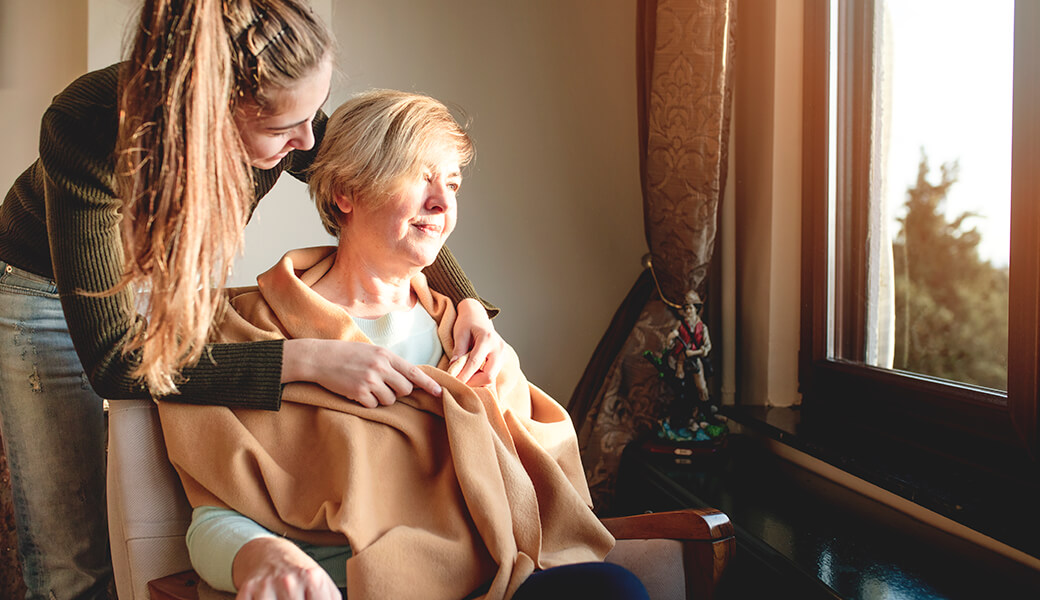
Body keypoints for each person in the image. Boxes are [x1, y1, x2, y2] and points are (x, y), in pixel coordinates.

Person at [0, 2, 503, 598]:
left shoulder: (289, 115)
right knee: (74, 557)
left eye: (312, 114)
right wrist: (309, 358)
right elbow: (116, 363)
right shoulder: (87, 126)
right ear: (209, 110)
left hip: (157, 281)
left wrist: (464, 299)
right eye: (283, 130)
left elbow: (368, 175)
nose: (307, 141)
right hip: (43, 289)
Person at [157, 90, 649, 600]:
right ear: (346, 192)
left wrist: (500, 388)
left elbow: (538, 492)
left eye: (452, 184)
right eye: (420, 177)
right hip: (349, 586)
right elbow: (214, 516)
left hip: (494, 581)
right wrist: (260, 555)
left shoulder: (465, 335)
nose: (442, 204)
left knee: (612, 589)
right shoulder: (254, 330)